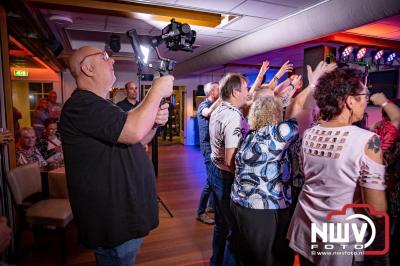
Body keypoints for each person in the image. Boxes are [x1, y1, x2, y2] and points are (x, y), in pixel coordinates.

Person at [59, 46, 173, 266]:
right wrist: (156, 91)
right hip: (113, 217)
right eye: (104, 57)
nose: (112, 61)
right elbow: (133, 132)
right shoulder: (81, 105)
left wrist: (154, 124)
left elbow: (139, 138)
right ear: (88, 68)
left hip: (122, 211)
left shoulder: (101, 106)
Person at [231, 61, 335, 266]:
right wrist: (313, 85)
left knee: (249, 257)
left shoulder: (251, 133)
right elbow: (304, 115)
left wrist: (302, 88)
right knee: (269, 259)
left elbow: (294, 108)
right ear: (276, 113)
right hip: (262, 210)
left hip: (242, 205)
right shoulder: (276, 135)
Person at [287, 67, 387, 266]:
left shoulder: (309, 133)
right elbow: (376, 210)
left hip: (306, 228)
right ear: (350, 101)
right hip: (339, 238)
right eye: (364, 95)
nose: (366, 100)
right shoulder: (369, 141)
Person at [209, 73, 249, 266]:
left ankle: (215, 261)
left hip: (215, 173)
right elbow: (230, 160)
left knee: (221, 226)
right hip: (226, 178)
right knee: (234, 232)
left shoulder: (218, 110)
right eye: (246, 89)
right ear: (235, 91)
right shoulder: (233, 116)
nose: (248, 94)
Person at [196, 82, 222, 225]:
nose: (221, 91)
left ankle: (211, 206)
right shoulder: (203, 105)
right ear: (212, 92)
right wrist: (222, 98)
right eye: (219, 89)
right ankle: (200, 212)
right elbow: (207, 113)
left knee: (214, 177)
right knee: (210, 181)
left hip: (214, 147)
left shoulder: (215, 105)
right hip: (208, 148)